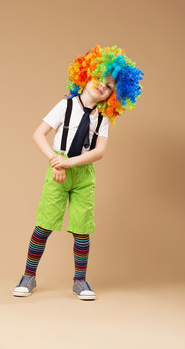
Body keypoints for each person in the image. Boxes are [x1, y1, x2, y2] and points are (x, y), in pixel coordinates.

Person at [12, 44, 144, 300]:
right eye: (99, 79)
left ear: (113, 95)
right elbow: (39, 134)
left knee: (82, 228)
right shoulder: (65, 106)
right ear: (85, 75)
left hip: (83, 174)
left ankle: (80, 281)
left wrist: (70, 164)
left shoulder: (103, 118)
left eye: (109, 86)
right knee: (44, 225)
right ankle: (28, 275)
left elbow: (100, 152)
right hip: (57, 169)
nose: (102, 86)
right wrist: (54, 160)